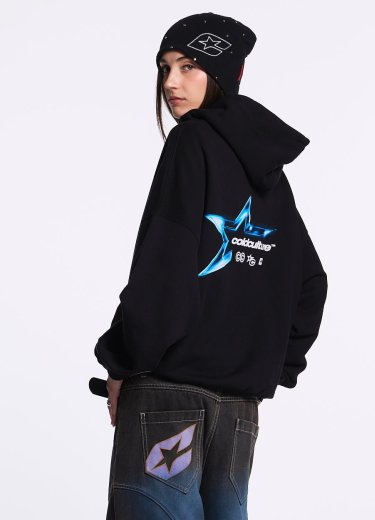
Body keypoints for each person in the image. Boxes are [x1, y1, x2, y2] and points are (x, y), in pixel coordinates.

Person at [89, 11, 328, 520]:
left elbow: (164, 269)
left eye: (189, 67)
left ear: (223, 74)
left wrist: (122, 362)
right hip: (238, 412)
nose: (171, 83)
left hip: (166, 401)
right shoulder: (266, 172)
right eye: (165, 68)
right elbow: (310, 282)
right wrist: (268, 366)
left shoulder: (190, 143)